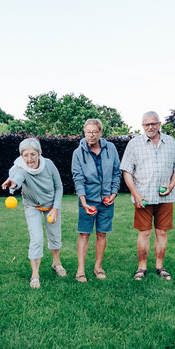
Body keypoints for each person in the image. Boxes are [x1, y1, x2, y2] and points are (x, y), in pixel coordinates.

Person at [120, 111, 175, 281]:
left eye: (153, 124)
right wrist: (135, 194)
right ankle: (141, 267)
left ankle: (159, 266)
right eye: (146, 124)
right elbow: (127, 171)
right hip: (143, 197)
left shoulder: (170, 142)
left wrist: (171, 186)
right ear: (142, 126)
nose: (150, 127)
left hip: (166, 198)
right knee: (144, 233)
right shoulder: (134, 144)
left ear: (159, 124)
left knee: (162, 232)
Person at [1, 138, 67, 289]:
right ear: (21, 156)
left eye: (33, 154)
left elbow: (59, 186)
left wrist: (56, 208)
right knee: (36, 238)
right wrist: (13, 183)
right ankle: (35, 274)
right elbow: (17, 178)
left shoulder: (48, 164)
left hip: (51, 205)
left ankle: (56, 263)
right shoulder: (20, 168)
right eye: (25, 155)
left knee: (54, 235)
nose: (29, 159)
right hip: (32, 206)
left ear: (39, 153)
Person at [71, 119, 121, 283]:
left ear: (100, 133)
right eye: (87, 132)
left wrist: (113, 194)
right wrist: (83, 202)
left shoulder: (111, 148)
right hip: (88, 201)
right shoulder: (78, 153)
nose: (91, 135)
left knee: (102, 234)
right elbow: (78, 179)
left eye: (94, 132)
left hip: (107, 201)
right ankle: (80, 270)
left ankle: (98, 267)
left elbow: (116, 173)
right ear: (84, 133)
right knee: (84, 234)